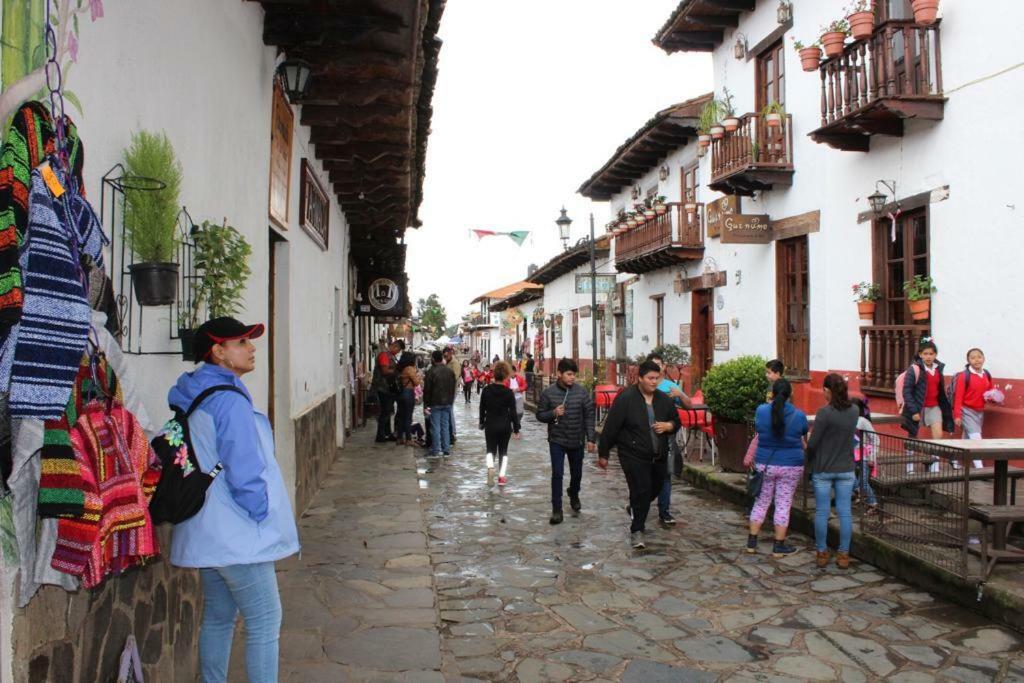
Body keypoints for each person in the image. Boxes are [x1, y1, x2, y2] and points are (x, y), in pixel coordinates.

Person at [168, 317, 299, 682]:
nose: (252, 348)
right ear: (218, 352)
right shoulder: (228, 400)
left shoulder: (197, 392)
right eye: (242, 342)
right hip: (237, 531)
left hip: (208, 526)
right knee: (265, 620)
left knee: (219, 617)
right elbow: (244, 469)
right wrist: (261, 513)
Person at [598, 360, 681, 549]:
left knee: (656, 488)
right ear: (640, 378)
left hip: (658, 454)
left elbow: (676, 420)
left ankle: (635, 506)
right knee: (642, 489)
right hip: (632, 454)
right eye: (650, 378)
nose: (654, 382)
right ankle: (637, 530)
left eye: (657, 378)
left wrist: (669, 426)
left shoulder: (663, 399)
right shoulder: (626, 398)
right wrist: (604, 453)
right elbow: (611, 427)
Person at [745, 378, 808, 558]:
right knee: (783, 504)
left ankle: (752, 542)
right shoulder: (799, 415)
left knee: (761, 502)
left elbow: (758, 428)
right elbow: (803, 432)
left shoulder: (761, 411)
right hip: (791, 465)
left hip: (765, 464)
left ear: (771, 394)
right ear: (791, 395)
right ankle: (778, 546)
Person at [808, 373, 860, 569]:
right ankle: (844, 555)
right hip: (846, 467)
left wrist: (809, 454)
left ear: (828, 391)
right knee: (845, 512)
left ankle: (822, 552)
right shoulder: (854, 411)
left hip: (823, 468)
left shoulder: (824, 413)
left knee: (822, 512)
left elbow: (813, 443)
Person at [536, 358, 597, 525]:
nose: (572, 378)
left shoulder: (582, 392)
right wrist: (553, 413)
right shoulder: (548, 393)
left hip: (576, 439)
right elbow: (540, 415)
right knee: (557, 474)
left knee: (576, 474)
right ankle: (557, 509)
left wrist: (591, 438)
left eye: (574, 375)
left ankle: (574, 492)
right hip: (557, 439)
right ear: (559, 374)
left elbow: (589, 415)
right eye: (569, 374)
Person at [648, 353, 692, 526]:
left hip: (667, 438)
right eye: (652, 365)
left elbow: (689, 405)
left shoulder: (669, 386)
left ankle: (664, 511)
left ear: (664, 366)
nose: (656, 368)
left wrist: (680, 395)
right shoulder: (642, 386)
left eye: (658, 364)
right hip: (646, 437)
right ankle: (638, 504)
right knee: (646, 476)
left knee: (666, 475)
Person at [901, 338, 955, 441]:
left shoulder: (938, 369)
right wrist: (913, 411)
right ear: (920, 355)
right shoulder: (914, 369)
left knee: (938, 434)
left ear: (935, 355)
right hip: (917, 406)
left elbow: (940, 390)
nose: (928, 357)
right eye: (925, 354)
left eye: (931, 354)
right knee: (913, 433)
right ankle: (909, 452)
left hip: (934, 407)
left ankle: (935, 456)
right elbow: (907, 391)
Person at [480, 362, 521, 486]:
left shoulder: (486, 390)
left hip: (490, 424)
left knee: (490, 450)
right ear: (506, 375)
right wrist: (516, 428)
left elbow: (482, 408)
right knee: (504, 451)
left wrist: (482, 422)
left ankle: (490, 468)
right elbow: (513, 412)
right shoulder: (509, 393)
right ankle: (502, 476)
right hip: (504, 426)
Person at [953, 348, 995, 469]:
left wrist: (994, 397)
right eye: (973, 357)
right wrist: (957, 415)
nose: (977, 360)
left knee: (967, 438)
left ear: (984, 358)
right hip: (966, 411)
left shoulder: (986, 374)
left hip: (979, 411)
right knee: (976, 438)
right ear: (968, 360)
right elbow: (958, 397)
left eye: (979, 357)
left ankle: (955, 460)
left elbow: (990, 392)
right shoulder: (964, 376)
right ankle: (979, 467)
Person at [423, 350, 457, 457]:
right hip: (447, 402)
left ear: (433, 359)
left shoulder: (431, 372)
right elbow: (453, 388)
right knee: (445, 426)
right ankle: (446, 449)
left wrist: (426, 405)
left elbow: (427, 390)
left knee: (435, 426)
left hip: (435, 402)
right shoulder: (449, 372)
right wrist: (451, 401)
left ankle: (436, 449)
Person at [371, 340, 402, 443]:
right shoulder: (384, 355)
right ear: (394, 346)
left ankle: (388, 433)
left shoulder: (391, 356)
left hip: (388, 388)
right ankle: (380, 435)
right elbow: (385, 371)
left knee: (388, 411)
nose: (397, 352)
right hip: (382, 388)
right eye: (398, 349)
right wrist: (395, 371)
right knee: (385, 412)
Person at [852, 397, 879, 512]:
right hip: (851, 455)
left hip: (864, 455)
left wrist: (872, 456)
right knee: (848, 476)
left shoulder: (862, 421)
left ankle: (873, 503)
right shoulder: (847, 420)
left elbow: (875, 439)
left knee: (863, 481)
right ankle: (858, 491)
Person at [394, 353, 420, 446]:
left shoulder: (400, 368)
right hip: (408, 393)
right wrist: (419, 376)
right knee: (408, 417)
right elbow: (416, 383)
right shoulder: (409, 368)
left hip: (401, 394)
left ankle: (400, 438)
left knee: (401, 416)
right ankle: (408, 439)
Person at [443, 347, 459, 444]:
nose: (445, 357)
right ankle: (450, 431)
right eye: (444, 356)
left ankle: (453, 432)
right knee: (449, 410)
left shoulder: (455, 363)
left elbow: (455, 377)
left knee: (450, 409)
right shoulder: (446, 362)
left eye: (446, 356)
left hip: (452, 390)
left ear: (450, 353)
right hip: (446, 390)